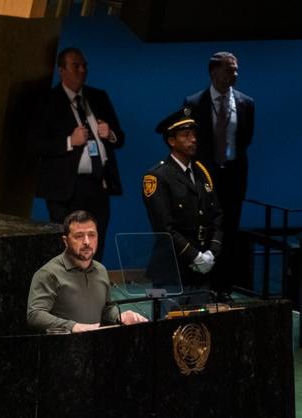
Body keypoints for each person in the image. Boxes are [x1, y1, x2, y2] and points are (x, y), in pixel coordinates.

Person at [31, 47, 125, 262]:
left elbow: (120, 138)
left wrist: (110, 134)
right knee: (67, 247)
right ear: (62, 70)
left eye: (84, 66)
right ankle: (66, 291)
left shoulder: (98, 97)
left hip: (98, 185)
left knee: (95, 245)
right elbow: (35, 144)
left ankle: (92, 290)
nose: (82, 70)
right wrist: (69, 142)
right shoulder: (48, 101)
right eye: (76, 66)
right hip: (65, 188)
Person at [183, 52, 254, 296]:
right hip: (205, 178)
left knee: (230, 231)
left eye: (236, 69)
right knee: (204, 230)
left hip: (233, 178)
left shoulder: (246, 103)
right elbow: (189, 140)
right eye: (229, 70)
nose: (234, 74)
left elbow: (246, 139)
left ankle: (224, 286)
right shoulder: (193, 103)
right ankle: (202, 285)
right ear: (214, 72)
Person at [141, 108, 223, 295]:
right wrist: (194, 256)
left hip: (203, 268)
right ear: (171, 141)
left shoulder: (202, 172)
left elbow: (217, 215)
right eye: (186, 135)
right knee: (168, 322)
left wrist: (211, 252)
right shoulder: (157, 176)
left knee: (199, 324)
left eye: (194, 134)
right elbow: (164, 227)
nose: (193, 139)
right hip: (171, 268)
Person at [27, 210, 148, 333]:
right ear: (65, 241)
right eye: (79, 236)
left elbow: (106, 309)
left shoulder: (101, 270)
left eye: (92, 235)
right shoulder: (48, 273)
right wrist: (73, 326)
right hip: (64, 347)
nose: (87, 242)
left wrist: (119, 315)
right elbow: (35, 315)